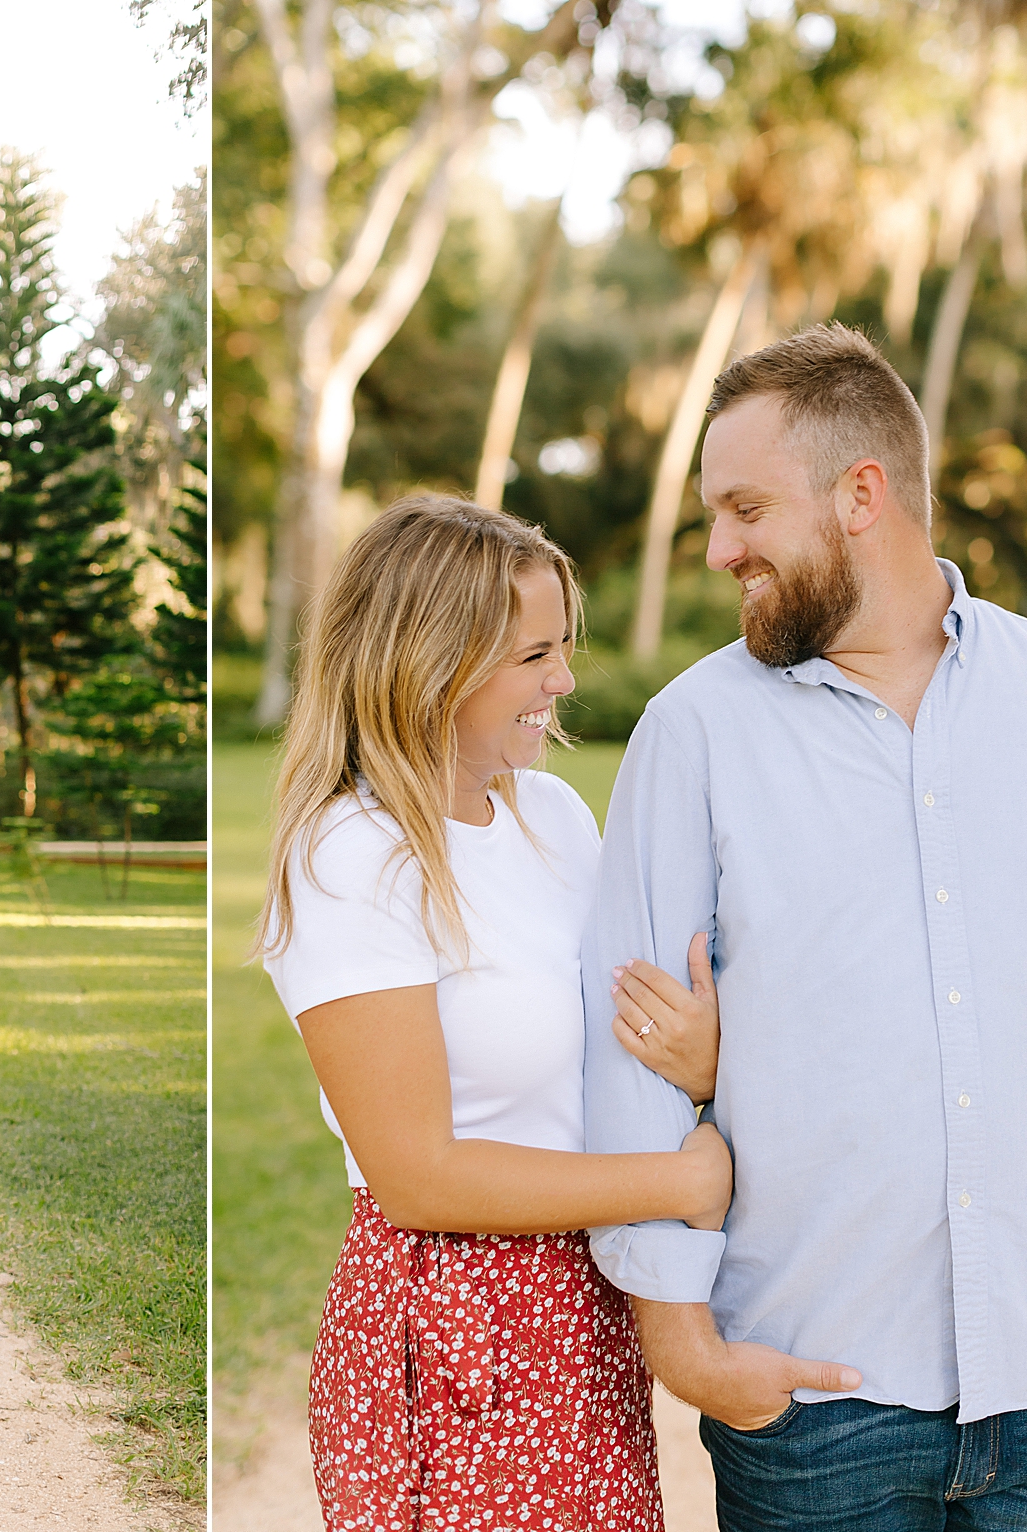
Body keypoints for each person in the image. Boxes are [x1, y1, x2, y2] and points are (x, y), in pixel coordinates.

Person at [583, 323, 1027, 1531]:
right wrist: (687, 1348)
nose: (719, 548)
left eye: (742, 509)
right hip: (814, 1400)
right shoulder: (691, 735)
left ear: (858, 495)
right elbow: (625, 1046)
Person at [259, 496, 734, 1531]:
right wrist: (679, 1179)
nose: (561, 680)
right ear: (431, 661)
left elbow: (624, 1033)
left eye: (562, 647)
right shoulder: (352, 857)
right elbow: (417, 1175)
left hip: (581, 1305)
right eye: (533, 655)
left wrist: (702, 1066)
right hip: (454, 1323)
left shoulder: (551, 814)